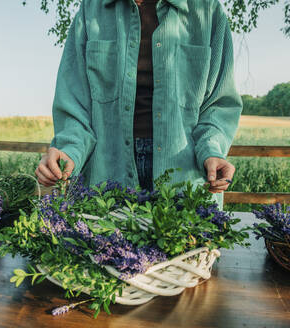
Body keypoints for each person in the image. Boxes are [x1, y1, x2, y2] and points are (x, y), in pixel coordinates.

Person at [35, 0, 242, 211]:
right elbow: (75, 101)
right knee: (105, 243)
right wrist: (68, 150)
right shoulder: (92, 10)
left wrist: (212, 151)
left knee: (189, 244)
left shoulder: (207, 11)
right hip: (108, 172)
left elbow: (218, 104)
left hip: (186, 177)